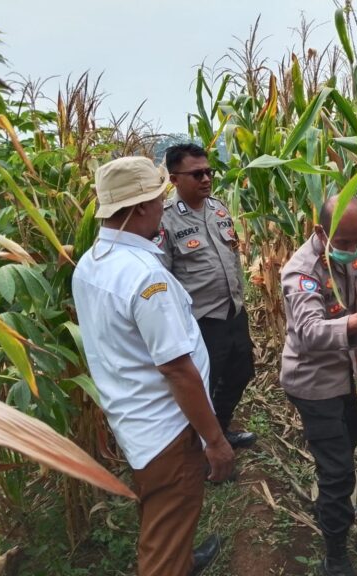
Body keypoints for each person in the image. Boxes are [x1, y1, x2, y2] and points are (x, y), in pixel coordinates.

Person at [72, 156, 234, 576]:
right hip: (167, 431)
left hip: (133, 419)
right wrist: (214, 441)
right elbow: (177, 369)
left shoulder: (92, 261)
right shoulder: (146, 277)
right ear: (142, 207)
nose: (164, 203)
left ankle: (183, 555)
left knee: (166, 512)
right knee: (163, 545)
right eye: (158, 196)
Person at [280, 196, 357, 576]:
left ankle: (332, 501)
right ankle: (335, 553)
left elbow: (347, 302)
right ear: (320, 233)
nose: (353, 250)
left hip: (339, 371)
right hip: (312, 381)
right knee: (338, 469)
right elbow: (309, 333)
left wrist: (356, 349)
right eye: (343, 243)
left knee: (351, 436)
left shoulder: (349, 255)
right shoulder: (302, 272)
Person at [158, 143, 257, 450]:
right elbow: (163, 276)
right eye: (196, 173)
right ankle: (202, 447)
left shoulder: (218, 209)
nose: (206, 179)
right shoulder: (166, 220)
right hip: (201, 321)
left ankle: (220, 429)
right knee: (203, 386)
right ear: (174, 179)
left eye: (208, 172)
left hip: (233, 312)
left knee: (241, 373)